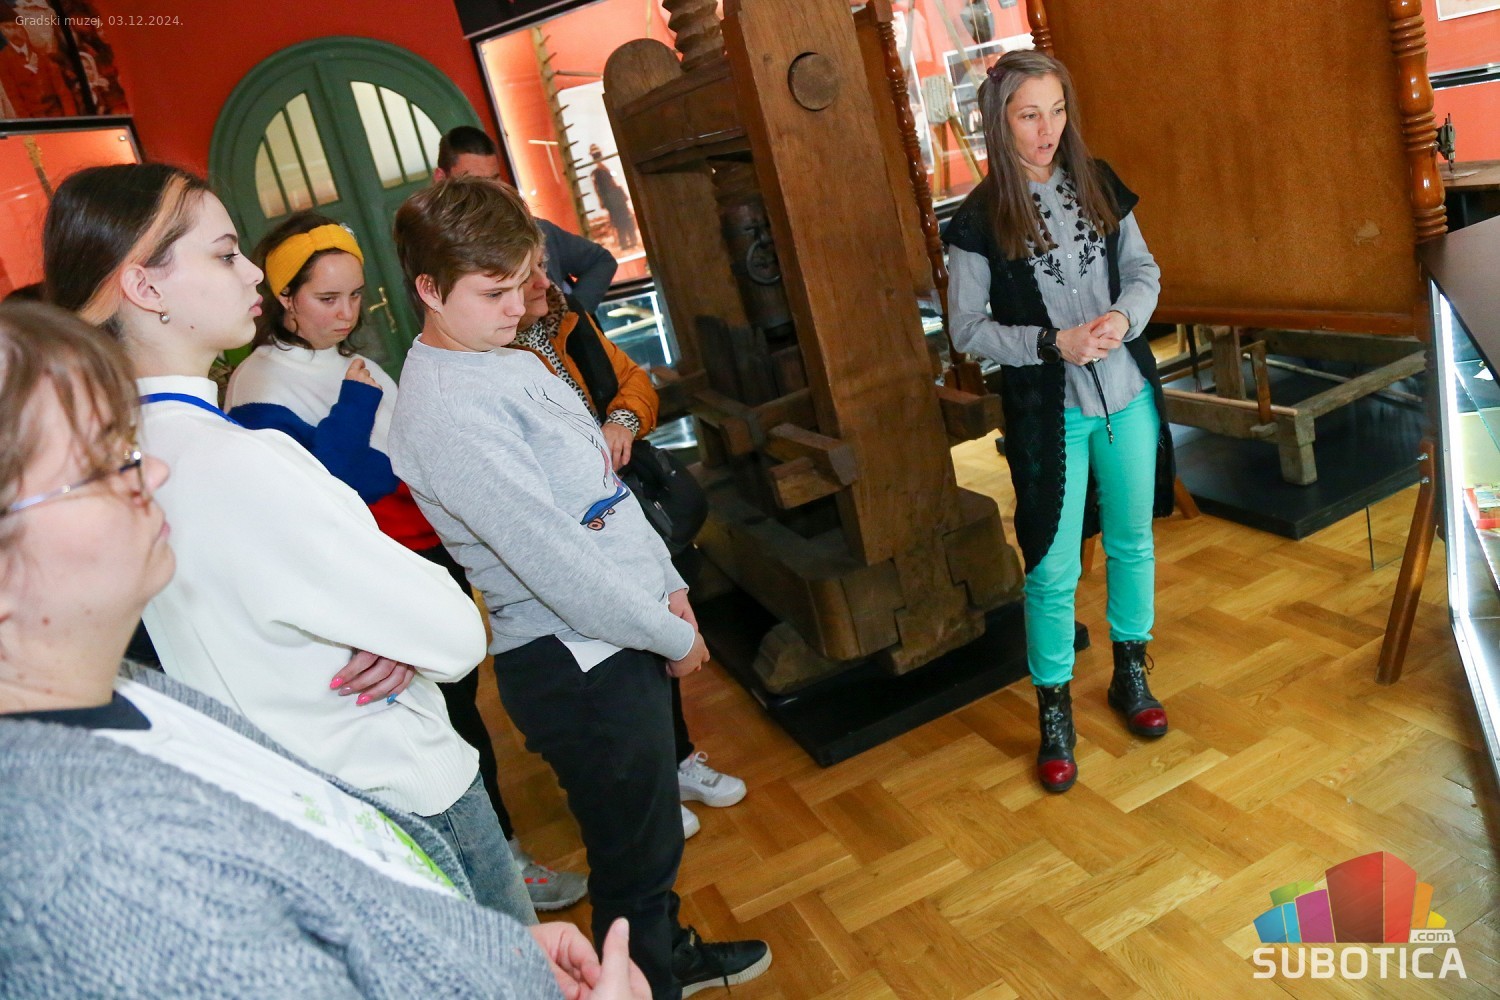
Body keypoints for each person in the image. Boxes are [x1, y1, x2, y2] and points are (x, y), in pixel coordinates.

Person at [0, 299, 651, 999]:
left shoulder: (131, 693)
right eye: (100, 464)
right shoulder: (84, 862)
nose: (152, 473)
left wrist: (483, 956)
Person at [42, 163, 533, 923]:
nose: (251, 275)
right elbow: (455, 630)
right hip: (396, 790)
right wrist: (402, 627)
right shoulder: (231, 456)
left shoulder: (119, 450)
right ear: (145, 286)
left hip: (302, 801)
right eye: (224, 254)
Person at [387, 177, 772, 1000]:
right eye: (493, 291)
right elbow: (556, 561)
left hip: (616, 629)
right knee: (633, 860)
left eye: (521, 281)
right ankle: (645, 982)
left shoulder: (499, 355)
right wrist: (674, 635)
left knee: (648, 845)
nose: (517, 305)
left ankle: (665, 958)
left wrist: (669, 584)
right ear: (429, 289)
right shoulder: (445, 409)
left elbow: (604, 495)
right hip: (575, 660)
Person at [223, 210, 587, 911]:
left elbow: (401, 459)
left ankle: (500, 858)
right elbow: (333, 483)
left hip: (423, 556)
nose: (347, 313)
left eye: (356, 295)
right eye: (327, 298)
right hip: (371, 577)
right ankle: (492, 875)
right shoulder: (260, 383)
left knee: (460, 713)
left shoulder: (344, 362)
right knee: (434, 730)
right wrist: (358, 402)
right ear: (283, 298)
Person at [942, 50, 1175, 794]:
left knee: (1134, 543)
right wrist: (1052, 344)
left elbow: (1144, 271)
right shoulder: (976, 221)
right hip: (1051, 416)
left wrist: (1122, 318)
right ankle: (1054, 714)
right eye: (1028, 115)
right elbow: (966, 330)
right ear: (999, 121)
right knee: (1050, 567)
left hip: (1127, 396)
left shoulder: (1098, 181)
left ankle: (1130, 676)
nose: (1047, 130)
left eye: (1057, 110)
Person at [511, 248, 745, 840]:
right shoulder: (496, 360)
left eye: (541, 266)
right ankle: (651, 782)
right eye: (525, 272)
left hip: (626, 504)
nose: (542, 281)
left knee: (658, 627)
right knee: (622, 657)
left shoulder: (569, 320)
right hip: (577, 527)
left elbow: (634, 380)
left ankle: (678, 760)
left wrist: (621, 420)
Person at [435, 125, 619, 315]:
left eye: (494, 180)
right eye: (474, 183)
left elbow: (601, 261)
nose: (489, 192)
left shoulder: (535, 230)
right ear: (441, 179)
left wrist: (573, 318)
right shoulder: (437, 254)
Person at [589, 144, 639, 252]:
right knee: (623, 220)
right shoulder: (599, 171)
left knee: (622, 221)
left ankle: (628, 243)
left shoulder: (600, 170)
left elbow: (602, 187)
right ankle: (627, 243)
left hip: (612, 199)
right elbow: (601, 188)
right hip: (613, 199)